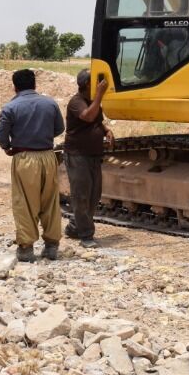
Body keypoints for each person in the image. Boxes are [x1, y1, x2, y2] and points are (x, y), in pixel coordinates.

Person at [0, 69, 65, 262]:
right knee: (50, 202)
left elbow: (1, 135)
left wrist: (7, 147)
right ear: (35, 85)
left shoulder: (11, 107)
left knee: (25, 203)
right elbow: (60, 128)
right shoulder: (50, 103)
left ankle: (26, 249)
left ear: (15, 87)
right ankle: (52, 247)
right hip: (48, 157)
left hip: (24, 158)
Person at [63, 69, 114, 248]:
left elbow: (97, 120)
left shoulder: (92, 102)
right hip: (78, 156)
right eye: (96, 83)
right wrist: (99, 95)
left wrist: (106, 130)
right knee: (81, 195)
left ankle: (75, 227)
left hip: (93, 155)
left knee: (94, 194)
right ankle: (86, 236)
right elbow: (88, 116)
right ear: (87, 85)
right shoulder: (76, 102)